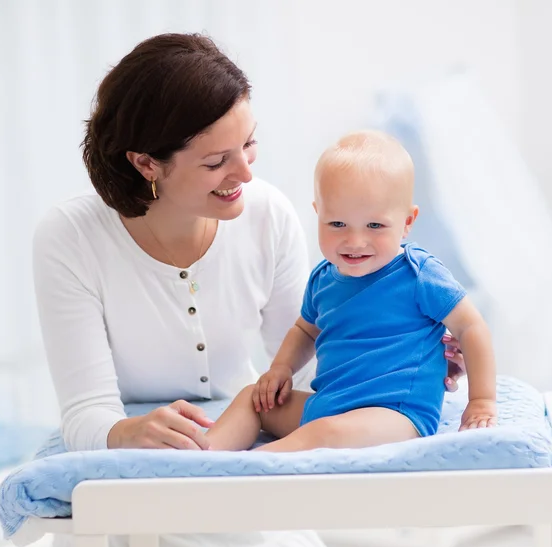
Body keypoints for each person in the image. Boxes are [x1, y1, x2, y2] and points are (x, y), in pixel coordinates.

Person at [33, 33, 464, 547]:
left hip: (243, 501)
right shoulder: (71, 239)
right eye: (217, 161)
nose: (244, 172)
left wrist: (401, 356)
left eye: (249, 147)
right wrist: (127, 432)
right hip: (131, 514)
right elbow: (85, 415)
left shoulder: (266, 215)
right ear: (145, 163)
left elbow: (315, 364)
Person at [206, 131, 495, 453]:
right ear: (318, 214)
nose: (355, 241)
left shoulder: (420, 274)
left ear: (407, 221)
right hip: (329, 405)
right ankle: (202, 458)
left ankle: (244, 471)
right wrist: (281, 369)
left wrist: (481, 400)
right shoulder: (323, 277)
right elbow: (305, 330)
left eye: (374, 226)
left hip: (395, 414)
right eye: (337, 224)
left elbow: (471, 327)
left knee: (324, 434)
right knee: (252, 398)